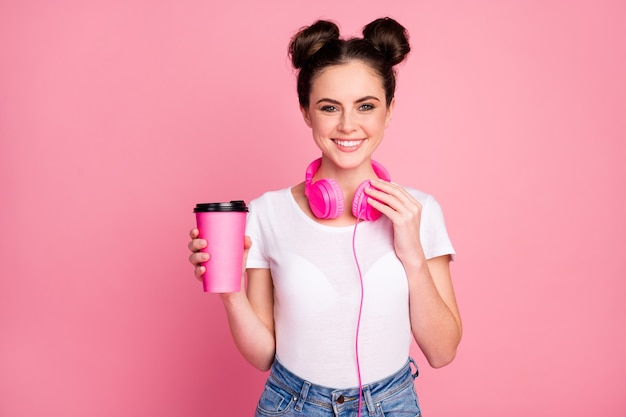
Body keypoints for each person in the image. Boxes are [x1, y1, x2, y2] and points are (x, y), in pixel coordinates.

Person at [188, 17, 462, 417]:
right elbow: (264, 355)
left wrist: (413, 256)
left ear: (388, 111)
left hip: (392, 405)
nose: (348, 125)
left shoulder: (419, 211)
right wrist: (229, 291)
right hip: (292, 405)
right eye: (329, 107)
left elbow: (442, 352)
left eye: (366, 106)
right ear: (306, 112)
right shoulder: (266, 213)